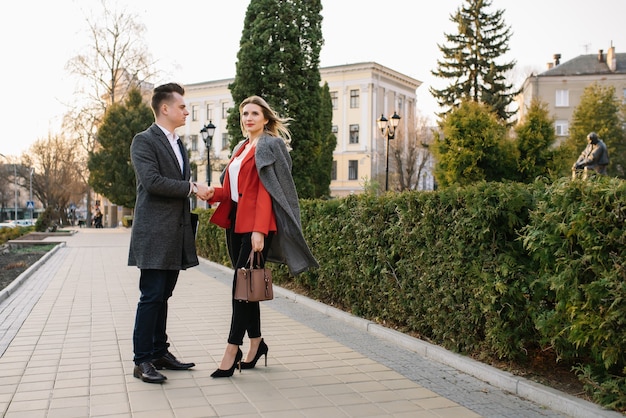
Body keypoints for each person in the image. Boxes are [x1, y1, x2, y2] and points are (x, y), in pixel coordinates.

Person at [207, 95, 318, 378]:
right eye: (245, 113)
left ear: (266, 118)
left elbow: (273, 189)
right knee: (247, 286)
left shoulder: (272, 144)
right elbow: (233, 190)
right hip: (235, 224)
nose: (248, 118)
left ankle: (232, 350)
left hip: (256, 226)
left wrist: (259, 229)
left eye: (255, 113)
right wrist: (211, 193)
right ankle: (257, 342)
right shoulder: (241, 147)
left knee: (238, 289)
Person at [128, 82, 211, 383]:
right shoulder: (144, 141)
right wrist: (192, 188)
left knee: (164, 295)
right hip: (153, 233)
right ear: (165, 108)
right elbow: (152, 182)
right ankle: (142, 361)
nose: (186, 110)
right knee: (151, 296)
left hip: (175, 233)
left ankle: (159, 351)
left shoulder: (179, 144)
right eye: (181, 106)